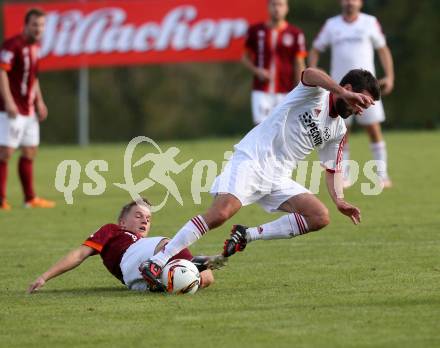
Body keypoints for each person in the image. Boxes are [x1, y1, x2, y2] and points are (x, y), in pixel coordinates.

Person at [140, 68, 380, 291]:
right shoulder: (315, 93)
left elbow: (332, 168)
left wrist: (339, 200)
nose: (361, 108)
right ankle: (158, 260)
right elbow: (309, 72)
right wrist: (342, 92)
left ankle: (248, 234)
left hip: (278, 177)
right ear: (347, 87)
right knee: (220, 214)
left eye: (366, 106)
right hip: (252, 159)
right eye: (362, 100)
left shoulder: (338, 130)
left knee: (319, 216)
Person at [28, 199, 226, 293]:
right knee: (167, 243)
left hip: (136, 282)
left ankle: (173, 277)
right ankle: (192, 262)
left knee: (207, 277)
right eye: (138, 216)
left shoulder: (144, 242)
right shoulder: (113, 230)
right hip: (132, 259)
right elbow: (79, 254)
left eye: (148, 219)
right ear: (122, 221)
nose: (144, 221)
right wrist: (45, 277)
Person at [308, 0, 395, 188]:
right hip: (341, 90)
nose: (350, 2)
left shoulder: (370, 22)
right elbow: (315, 49)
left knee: (373, 130)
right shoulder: (332, 25)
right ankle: (344, 176)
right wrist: (314, 70)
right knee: (341, 133)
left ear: (360, 3)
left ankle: (382, 175)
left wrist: (389, 76)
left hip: (366, 90)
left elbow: (383, 49)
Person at [0, 8, 55, 210]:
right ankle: (1, 200)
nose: (38, 29)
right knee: (5, 152)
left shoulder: (35, 48)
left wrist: (39, 101)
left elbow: (34, 78)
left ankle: (30, 199)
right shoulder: (12, 45)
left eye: (41, 25)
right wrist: (8, 101)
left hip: (29, 109)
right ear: (26, 25)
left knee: (30, 150)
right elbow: (2, 71)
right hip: (11, 109)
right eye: (35, 24)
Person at [242, 0, 307, 125]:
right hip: (262, 90)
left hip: (286, 90)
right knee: (261, 128)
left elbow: (299, 63)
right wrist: (257, 71)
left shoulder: (295, 33)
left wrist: (301, 88)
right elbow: (244, 58)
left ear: (286, 8)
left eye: (280, 5)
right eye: (274, 4)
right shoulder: (255, 31)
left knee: (284, 129)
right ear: (268, 7)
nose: (277, 8)